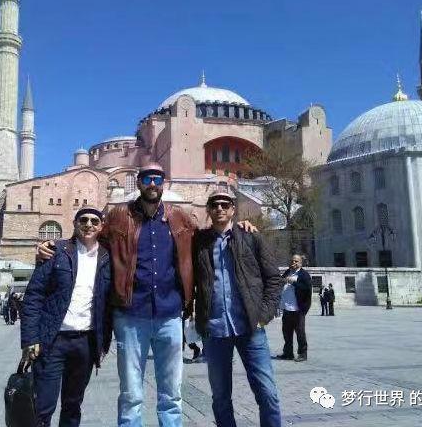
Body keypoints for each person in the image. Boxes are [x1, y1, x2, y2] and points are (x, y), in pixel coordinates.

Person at [35, 163, 255, 426]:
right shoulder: (119, 215)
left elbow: (207, 238)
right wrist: (55, 246)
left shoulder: (180, 218)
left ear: (164, 184)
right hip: (130, 316)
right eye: (147, 178)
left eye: (157, 179)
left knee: (171, 393)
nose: (152, 183)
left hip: (170, 316)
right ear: (138, 182)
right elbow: (89, 237)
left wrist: (238, 226)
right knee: (131, 394)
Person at [193, 190, 283, 427]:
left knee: (267, 393)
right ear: (208, 210)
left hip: (250, 327)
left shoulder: (251, 236)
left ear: (233, 209)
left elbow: (274, 278)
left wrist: (264, 315)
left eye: (225, 204)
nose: (220, 208)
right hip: (215, 329)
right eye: (215, 205)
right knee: (220, 397)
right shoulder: (199, 242)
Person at [21, 206, 113, 427]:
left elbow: (109, 303)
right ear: (74, 224)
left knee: (73, 405)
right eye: (83, 220)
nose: (89, 224)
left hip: (86, 342)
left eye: (94, 221)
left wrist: (104, 342)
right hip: (53, 341)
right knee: (43, 406)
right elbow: (34, 295)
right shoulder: (57, 251)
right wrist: (30, 339)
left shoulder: (107, 257)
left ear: (101, 226)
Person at [276, 254, 312, 362]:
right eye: (292, 261)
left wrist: (294, 282)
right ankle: (288, 353)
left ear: (301, 263)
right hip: (287, 308)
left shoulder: (304, 275)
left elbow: (306, 288)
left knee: (300, 333)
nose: (294, 263)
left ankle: (302, 354)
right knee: (286, 333)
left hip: (298, 309)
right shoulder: (288, 272)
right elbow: (281, 281)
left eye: (296, 261)